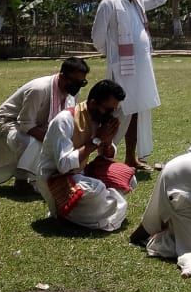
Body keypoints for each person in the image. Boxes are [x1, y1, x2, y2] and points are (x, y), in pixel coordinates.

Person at [0, 58, 90, 194]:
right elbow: (26, 124)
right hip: (9, 123)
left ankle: (53, 179)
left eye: (82, 83)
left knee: (61, 145)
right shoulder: (39, 89)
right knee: (33, 143)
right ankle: (22, 180)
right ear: (62, 76)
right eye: (74, 81)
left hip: (38, 124)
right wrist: (51, 141)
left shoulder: (72, 90)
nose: (77, 86)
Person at [92, 0, 167, 173]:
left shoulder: (138, 3)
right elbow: (97, 35)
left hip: (140, 69)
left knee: (136, 112)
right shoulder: (110, 2)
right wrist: (112, 55)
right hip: (122, 68)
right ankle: (104, 157)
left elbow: (161, 0)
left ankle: (131, 158)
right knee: (119, 111)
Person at [36, 79, 134, 232]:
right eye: (108, 110)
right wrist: (96, 140)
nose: (110, 115)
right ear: (93, 104)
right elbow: (63, 165)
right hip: (56, 178)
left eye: (113, 111)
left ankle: (89, 212)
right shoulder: (65, 120)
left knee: (126, 175)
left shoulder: (99, 118)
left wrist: (107, 143)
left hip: (80, 173)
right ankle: (67, 212)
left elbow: (107, 156)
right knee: (97, 188)